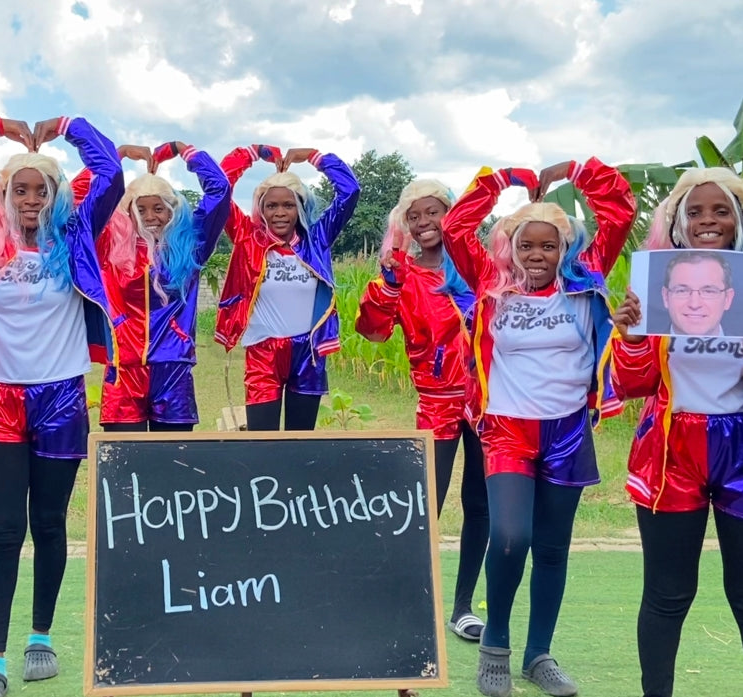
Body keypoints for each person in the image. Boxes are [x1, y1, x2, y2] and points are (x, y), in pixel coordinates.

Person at [0, 115, 123, 697]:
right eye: (21, 188)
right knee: (3, 531)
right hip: (1, 400)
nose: (32, 198)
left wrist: (67, 126)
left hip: (63, 396)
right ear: (4, 194)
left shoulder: (76, 234)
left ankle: (41, 638)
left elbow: (109, 168)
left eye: (42, 189)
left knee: (50, 524)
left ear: (58, 195)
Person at [441, 160, 635, 697]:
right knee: (509, 538)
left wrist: (577, 170)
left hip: (568, 430)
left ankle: (538, 654)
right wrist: (500, 179)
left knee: (552, 548)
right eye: (527, 245)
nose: (537, 255)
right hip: (506, 430)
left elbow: (619, 209)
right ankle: (495, 645)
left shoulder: (584, 279)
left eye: (548, 246)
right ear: (510, 247)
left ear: (564, 250)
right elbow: (457, 225)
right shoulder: (490, 281)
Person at [611, 167, 743, 697]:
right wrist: (632, 335)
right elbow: (635, 383)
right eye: (696, 211)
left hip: (741, 445)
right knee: (668, 593)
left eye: (721, 210)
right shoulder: (655, 285)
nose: (708, 220)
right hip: (671, 447)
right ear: (680, 222)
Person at [355, 179, 489, 642]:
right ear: (404, 225)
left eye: (433, 212)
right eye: (414, 215)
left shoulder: (478, 270)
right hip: (435, 404)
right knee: (422, 507)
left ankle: (464, 607)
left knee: (480, 504)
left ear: (450, 214)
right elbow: (372, 332)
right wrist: (388, 283)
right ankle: (405, 600)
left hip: (488, 404)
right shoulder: (403, 274)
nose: (424, 222)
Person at [86, 141, 230, 431]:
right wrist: (117, 156)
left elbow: (220, 189)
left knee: (173, 461)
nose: (150, 217)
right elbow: (91, 199)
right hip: (124, 368)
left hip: (173, 366)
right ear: (127, 212)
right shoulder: (110, 248)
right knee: (123, 463)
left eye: (159, 208)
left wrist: (184, 150)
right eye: (141, 209)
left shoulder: (190, 246)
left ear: (172, 211)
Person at [215, 144, 360, 431]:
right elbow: (220, 188)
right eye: (272, 205)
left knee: (300, 443)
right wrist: (252, 153)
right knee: (263, 442)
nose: (280, 213)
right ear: (261, 209)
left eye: (288, 205)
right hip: (263, 351)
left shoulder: (316, 239)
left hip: (308, 352)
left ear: (300, 208)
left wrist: (315, 157)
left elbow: (350, 191)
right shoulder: (248, 239)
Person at [660, 250, 734, 336]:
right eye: (682, 291)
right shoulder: (642, 343)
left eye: (709, 291)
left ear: (728, 299)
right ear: (665, 297)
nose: (694, 304)